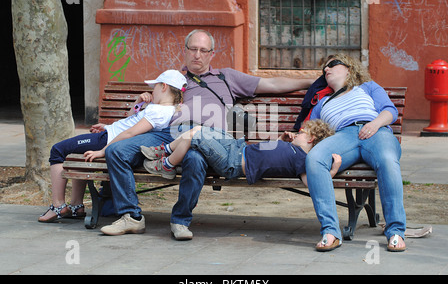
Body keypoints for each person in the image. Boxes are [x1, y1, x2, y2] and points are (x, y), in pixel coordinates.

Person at [101, 29, 315, 238]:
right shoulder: (176, 80)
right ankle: (131, 217)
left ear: (212, 54)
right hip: (170, 133)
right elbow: (153, 107)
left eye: (204, 50)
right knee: (117, 151)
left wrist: (310, 82)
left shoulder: (226, 77)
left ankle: (180, 220)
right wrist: (144, 98)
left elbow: (272, 83)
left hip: (211, 140)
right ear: (184, 51)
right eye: (193, 49)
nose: (197, 55)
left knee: (195, 159)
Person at [38, 70, 186, 223]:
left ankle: (58, 205)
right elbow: (129, 121)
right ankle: (76, 206)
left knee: (58, 150)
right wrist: (137, 103)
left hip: (107, 141)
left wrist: (103, 150)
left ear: (164, 87)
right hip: (109, 135)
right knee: (77, 150)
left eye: (155, 86)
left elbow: (130, 133)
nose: (152, 91)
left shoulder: (159, 111)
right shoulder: (166, 110)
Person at [305, 53, 407, 252]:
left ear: (349, 68)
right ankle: (331, 232)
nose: (327, 70)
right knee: (314, 158)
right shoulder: (322, 102)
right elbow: (309, 130)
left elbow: (390, 111)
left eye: (333, 64)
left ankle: (395, 232)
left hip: (376, 132)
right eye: (324, 69)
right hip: (343, 137)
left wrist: (374, 124)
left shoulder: (366, 87)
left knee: (387, 160)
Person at [140, 120, 341, 187]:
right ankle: (165, 151)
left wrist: (333, 170)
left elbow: (312, 183)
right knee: (198, 128)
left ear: (310, 138)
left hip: (232, 162)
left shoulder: (303, 160)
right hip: (236, 146)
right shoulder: (292, 148)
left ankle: (166, 165)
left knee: (196, 136)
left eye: (301, 132)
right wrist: (280, 141)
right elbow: (269, 154)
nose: (297, 134)